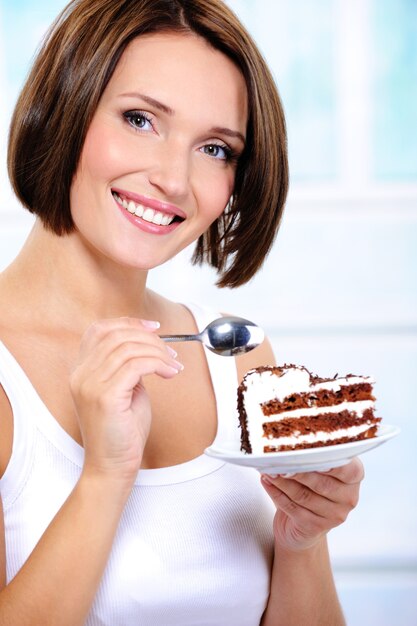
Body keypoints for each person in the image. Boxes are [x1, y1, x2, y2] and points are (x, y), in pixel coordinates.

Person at [0, 1, 364, 624]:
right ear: (64, 109)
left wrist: (301, 538)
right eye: (139, 119)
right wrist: (106, 474)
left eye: (216, 149)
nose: (173, 179)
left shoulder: (240, 357)